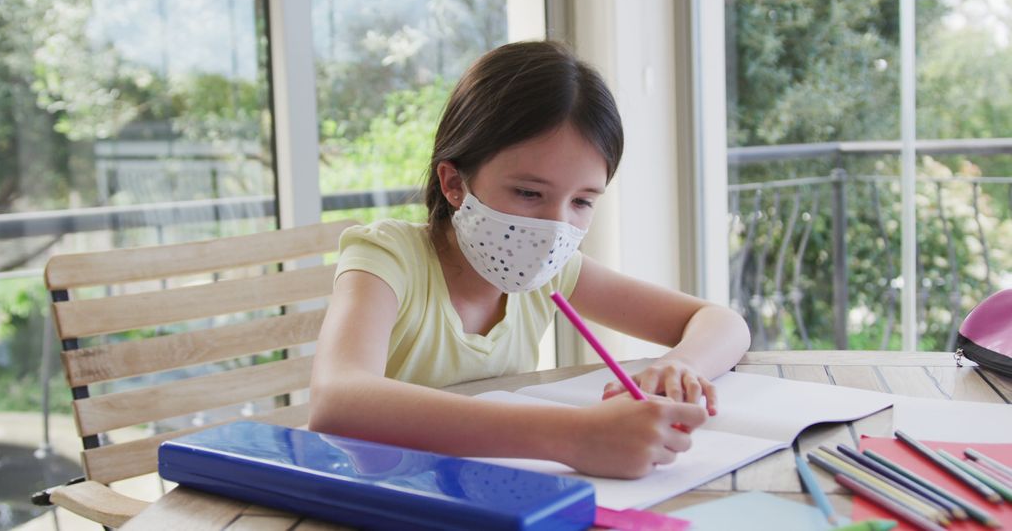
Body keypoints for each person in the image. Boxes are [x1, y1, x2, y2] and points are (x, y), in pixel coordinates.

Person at [309, 40, 750, 479]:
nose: (555, 228)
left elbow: (722, 322)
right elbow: (337, 400)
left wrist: (680, 365)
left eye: (581, 201)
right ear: (454, 183)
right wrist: (573, 437)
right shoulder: (388, 258)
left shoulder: (556, 272)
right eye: (528, 193)